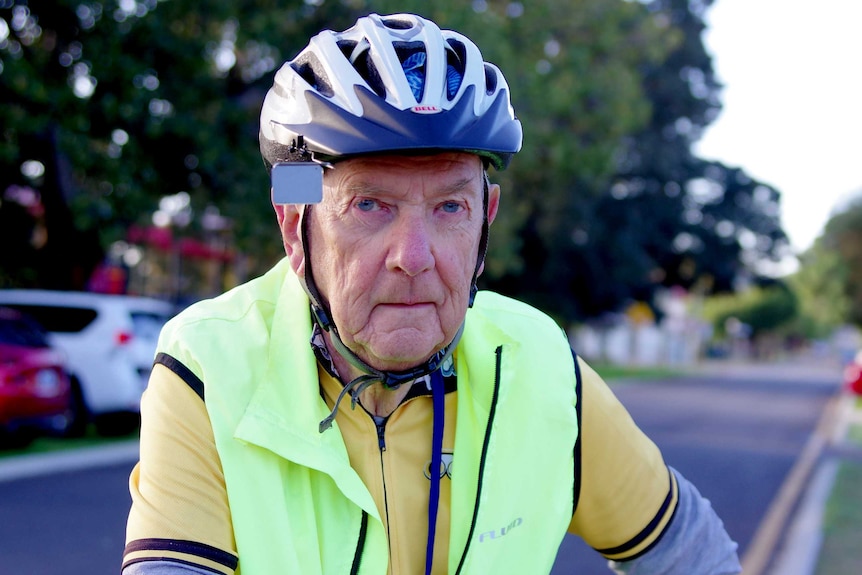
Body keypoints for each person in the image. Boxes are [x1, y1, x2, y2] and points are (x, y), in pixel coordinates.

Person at [123, 12, 741, 575]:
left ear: (485, 219)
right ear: (294, 223)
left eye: (450, 206)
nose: (414, 258)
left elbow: (690, 550)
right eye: (369, 204)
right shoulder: (210, 365)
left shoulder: (539, 365)